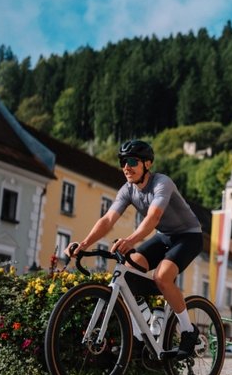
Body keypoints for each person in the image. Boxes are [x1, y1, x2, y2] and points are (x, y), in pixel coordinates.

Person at [66, 139, 203, 360]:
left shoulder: (162, 183)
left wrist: (130, 240)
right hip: (164, 236)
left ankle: (189, 331)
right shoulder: (127, 190)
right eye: (122, 162)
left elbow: (154, 216)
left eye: (132, 161)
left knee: (163, 277)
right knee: (128, 270)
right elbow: (108, 219)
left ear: (147, 164)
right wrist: (83, 244)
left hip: (188, 236)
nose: (126, 167)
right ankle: (148, 324)